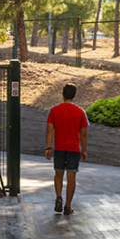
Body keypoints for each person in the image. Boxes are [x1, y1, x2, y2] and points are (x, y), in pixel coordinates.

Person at [43, 84, 89, 214]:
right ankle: (68, 206)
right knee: (71, 177)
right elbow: (84, 133)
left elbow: (49, 131)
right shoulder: (80, 112)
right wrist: (84, 150)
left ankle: (58, 197)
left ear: (62, 94)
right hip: (74, 149)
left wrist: (48, 147)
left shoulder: (54, 111)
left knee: (58, 174)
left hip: (59, 148)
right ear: (74, 95)